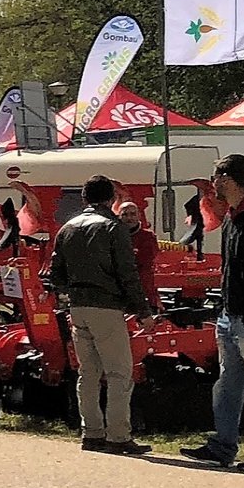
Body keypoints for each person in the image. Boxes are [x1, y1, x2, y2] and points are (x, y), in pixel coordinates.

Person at [51, 176, 154, 455]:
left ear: (84, 198)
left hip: (77, 305)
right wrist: (143, 311)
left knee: (88, 373)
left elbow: (55, 273)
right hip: (107, 305)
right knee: (119, 373)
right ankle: (118, 436)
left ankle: (92, 432)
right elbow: (128, 273)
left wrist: (72, 292)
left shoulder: (67, 228)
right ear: (112, 199)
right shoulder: (113, 227)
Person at [182, 155, 244, 472]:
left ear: (227, 180)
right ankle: (222, 447)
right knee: (227, 384)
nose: (212, 183)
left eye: (215, 177)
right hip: (230, 315)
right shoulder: (233, 217)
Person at [118, 201, 163, 315]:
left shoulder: (148, 237)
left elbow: (144, 261)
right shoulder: (113, 237)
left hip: (143, 290)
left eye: (133, 214)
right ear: (119, 216)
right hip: (118, 293)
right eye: (125, 214)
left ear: (139, 215)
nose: (129, 218)